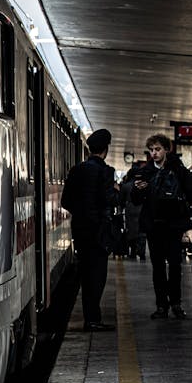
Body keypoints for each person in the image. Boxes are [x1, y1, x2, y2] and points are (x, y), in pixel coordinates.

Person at [131, 134, 192, 319]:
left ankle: (176, 304)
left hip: (174, 225)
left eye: (158, 149)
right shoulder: (145, 172)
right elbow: (136, 200)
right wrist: (138, 190)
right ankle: (162, 305)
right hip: (154, 226)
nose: (154, 153)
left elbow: (190, 192)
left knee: (175, 265)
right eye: (152, 150)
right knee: (158, 267)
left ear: (166, 150)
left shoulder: (178, 170)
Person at [62, 129, 119, 331]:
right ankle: (93, 319)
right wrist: (117, 192)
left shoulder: (76, 170)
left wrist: (81, 215)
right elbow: (109, 200)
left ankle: (91, 317)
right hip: (99, 231)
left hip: (80, 230)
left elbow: (65, 201)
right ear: (105, 150)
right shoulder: (106, 172)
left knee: (86, 275)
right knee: (98, 276)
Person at [120, 172, 146, 260]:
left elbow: (121, 200)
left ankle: (133, 252)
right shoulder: (143, 184)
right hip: (142, 208)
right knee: (141, 231)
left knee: (131, 231)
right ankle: (142, 252)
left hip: (130, 209)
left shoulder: (125, 186)